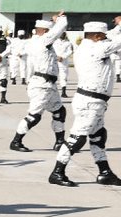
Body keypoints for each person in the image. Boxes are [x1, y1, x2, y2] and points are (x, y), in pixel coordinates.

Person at [48, 18, 121, 187]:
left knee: (98, 137)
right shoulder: (97, 48)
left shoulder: (89, 45)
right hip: (90, 101)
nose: (105, 39)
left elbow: (112, 37)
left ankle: (105, 173)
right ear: (96, 36)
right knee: (77, 138)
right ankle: (57, 172)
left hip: (94, 101)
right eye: (103, 36)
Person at [10, 13, 69, 152]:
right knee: (34, 116)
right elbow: (61, 27)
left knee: (59, 111)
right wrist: (59, 19)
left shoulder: (33, 41)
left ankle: (60, 142)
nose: (51, 34)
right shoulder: (43, 40)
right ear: (44, 31)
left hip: (47, 84)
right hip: (42, 84)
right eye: (48, 31)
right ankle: (16, 141)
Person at [53, 33, 75, 98]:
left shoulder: (68, 43)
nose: (62, 35)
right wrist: (56, 57)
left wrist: (63, 57)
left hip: (63, 62)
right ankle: (52, 92)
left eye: (63, 34)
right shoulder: (54, 42)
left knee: (63, 77)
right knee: (53, 76)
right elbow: (52, 50)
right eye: (61, 34)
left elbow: (70, 51)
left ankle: (63, 92)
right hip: (55, 61)